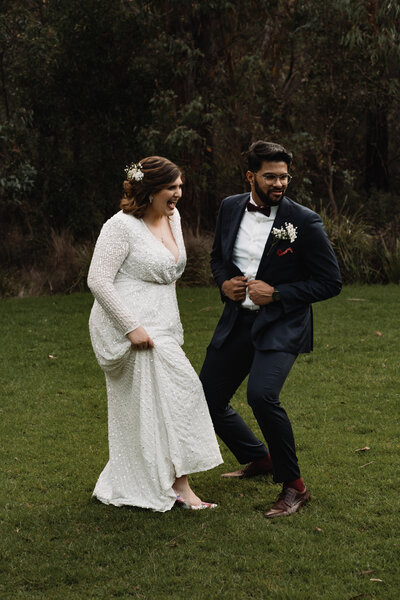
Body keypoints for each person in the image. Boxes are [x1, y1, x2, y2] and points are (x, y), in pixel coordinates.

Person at [199, 141, 342, 518]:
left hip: (281, 324)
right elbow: (218, 257)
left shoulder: (304, 221)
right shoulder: (231, 207)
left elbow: (331, 282)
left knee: (262, 396)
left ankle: (295, 486)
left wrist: (277, 293)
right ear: (251, 176)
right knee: (207, 398)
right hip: (237, 321)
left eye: (284, 176)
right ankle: (257, 457)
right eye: (270, 176)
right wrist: (224, 283)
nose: (279, 183)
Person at [87, 156, 222, 512]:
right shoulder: (120, 227)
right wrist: (131, 327)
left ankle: (157, 479)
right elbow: (97, 280)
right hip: (127, 324)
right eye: (171, 187)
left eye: (180, 186)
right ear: (150, 190)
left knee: (170, 400)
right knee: (178, 394)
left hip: (162, 321)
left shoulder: (173, 218)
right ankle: (181, 487)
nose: (179, 193)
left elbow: (170, 271)